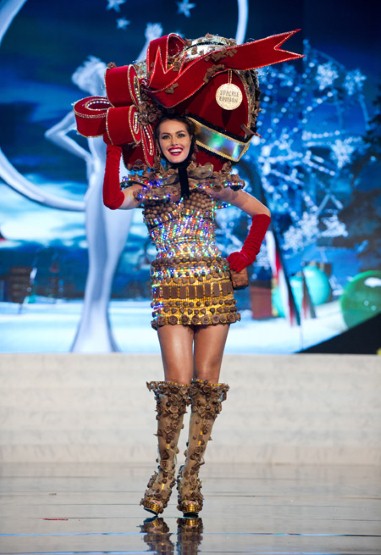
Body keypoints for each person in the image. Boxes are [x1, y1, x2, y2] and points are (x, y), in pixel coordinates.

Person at [101, 113, 271, 516]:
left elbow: (261, 214)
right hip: (170, 289)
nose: (173, 141)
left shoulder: (210, 180)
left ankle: (191, 478)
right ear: (156, 143)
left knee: (206, 388)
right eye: (165, 136)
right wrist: (112, 146)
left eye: (180, 134)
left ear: (192, 139)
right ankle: (164, 474)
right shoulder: (147, 183)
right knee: (175, 387)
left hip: (214, 287)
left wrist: (242, 257)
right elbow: (111, 200)